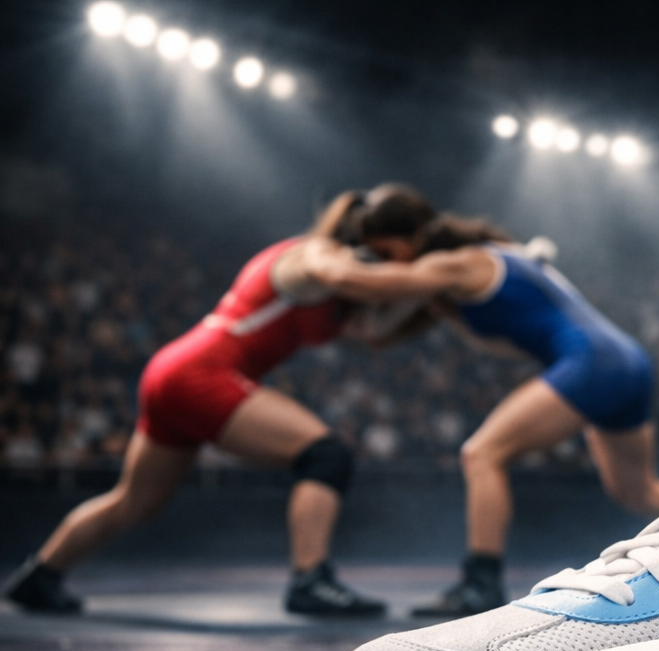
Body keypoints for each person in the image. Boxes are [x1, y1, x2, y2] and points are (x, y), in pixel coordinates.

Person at [2, 185, 436, 616]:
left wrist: (426, 290)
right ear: (376, 243)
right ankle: (310, 580)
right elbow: (342, 275)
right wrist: (428, 276)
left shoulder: (339, 288)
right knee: (326, 455)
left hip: (177, 372)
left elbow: (374, 332)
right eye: (411, 250)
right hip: (202, 373)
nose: (414, 261)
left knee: (135, 501)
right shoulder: (313, 253)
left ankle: (39, 577)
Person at [305, 212, 659, 616]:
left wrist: (318, 254)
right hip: (626, 361)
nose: (383, 260)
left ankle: (480, 583)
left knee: (482, 453)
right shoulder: (493, 259)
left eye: (385, 251)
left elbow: (356, 283)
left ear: (414, 237)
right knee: (636, 490)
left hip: (592, 361)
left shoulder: (455, 263)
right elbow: (378, 332)